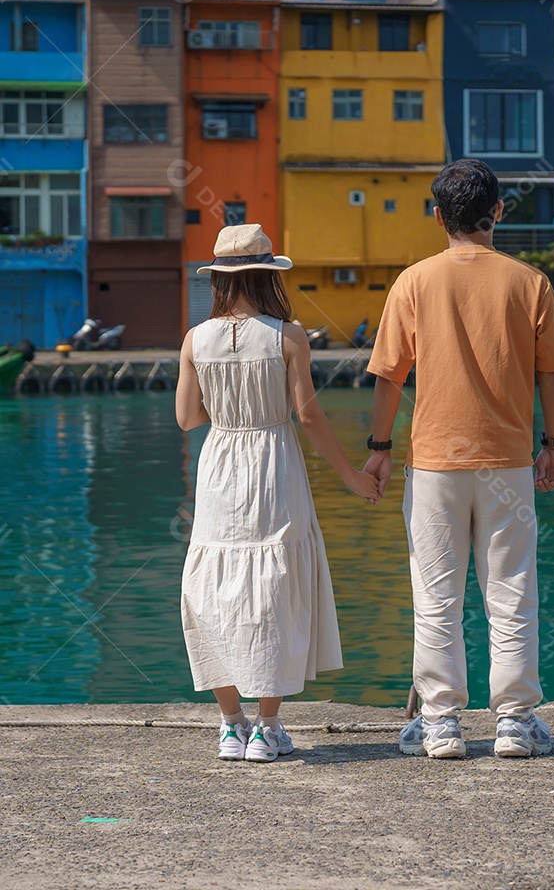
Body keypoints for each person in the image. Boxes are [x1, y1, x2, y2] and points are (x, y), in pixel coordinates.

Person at [364, 159, 554, 759]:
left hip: (433, 463)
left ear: (439, 217)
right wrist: (553, 446)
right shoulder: (529, 283)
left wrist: (380, 450)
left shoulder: (413, 281)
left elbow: (387, 377)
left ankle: (440, 724)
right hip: (507, 462)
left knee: (436, 596)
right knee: (511, 591)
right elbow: (552, 377)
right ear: (499, 213)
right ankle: (514, 721)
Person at [176, 224, 379, 763]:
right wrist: (352, 478)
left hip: (220, 463)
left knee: (211, 586)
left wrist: (228, 407)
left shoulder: (195, 339)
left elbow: (186, 417)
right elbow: (309, 416)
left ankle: (229, 725)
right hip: (273, 462)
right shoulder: (288, 336)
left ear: (218, 280)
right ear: (269, 275)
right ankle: (267, 728)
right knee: (274, 586)